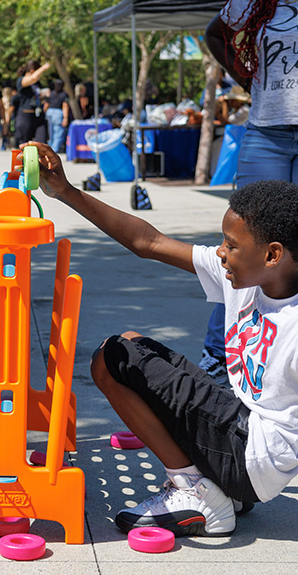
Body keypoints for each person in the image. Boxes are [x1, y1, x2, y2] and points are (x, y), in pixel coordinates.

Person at [23, 140, 298, 538]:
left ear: (273, 255)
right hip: (244, 438)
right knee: (134, 343)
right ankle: (219, 484)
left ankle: (196, 488)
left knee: (113, 357)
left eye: (231, 245)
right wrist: (65, 190)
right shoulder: (245, 277)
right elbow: (146, 242)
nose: (221, 253)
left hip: (253, 455)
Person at [200, 0, 297, 382]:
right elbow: (216, 33)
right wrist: (249, 78)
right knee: (245, 249)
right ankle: (219, 360)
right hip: (266, 134)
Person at [14, 60, 51, 145]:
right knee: (25, 146)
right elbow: (33, 78)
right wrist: (43, 68)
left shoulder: (37, 83)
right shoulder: (21, 80)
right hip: (25, 118)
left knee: (42, 145)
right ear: (32, 71)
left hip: (38, 117)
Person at [44, 79, 69, 153]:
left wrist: (45, 113)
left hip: (49, 112)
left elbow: (46, 105)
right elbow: (65, 106)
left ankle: (49, 148)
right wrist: (65, 118)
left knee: (50, 133)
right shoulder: (64, 94)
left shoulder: (51, 93)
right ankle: (54, 150)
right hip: (58, 113)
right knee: (58, 133)